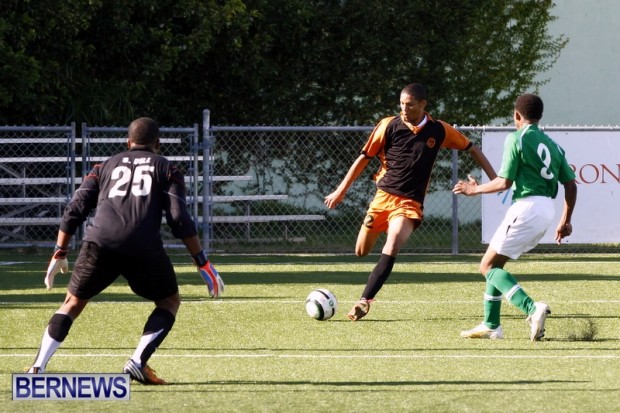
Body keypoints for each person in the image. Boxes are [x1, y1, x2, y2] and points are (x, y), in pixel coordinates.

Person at [27, 117, 224, 384]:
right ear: (158, 144)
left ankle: (37, 368)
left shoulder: (103, 166)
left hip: (100, 242)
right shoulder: (168, 169)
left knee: (72, 303)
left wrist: (60, 252)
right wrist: (202, 262)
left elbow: (74, 209)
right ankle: (138, 362)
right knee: (169, 302)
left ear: (127, 142)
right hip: (143, 246)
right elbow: (178, 218)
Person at [324, 83, 497, 321]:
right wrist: (340, 190)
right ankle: (379, 234)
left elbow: (471, 147)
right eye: (402, 104)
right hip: (382, 199)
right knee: (361, 251)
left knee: (393, 242)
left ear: (423, 104)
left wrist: (495, 180)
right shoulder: (388, 125)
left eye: (410, 105)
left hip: (409, 203)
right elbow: (364, 158)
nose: (404, 109)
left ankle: (364, 300)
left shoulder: (439, 130)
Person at [453, 93, 577, 341]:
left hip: (526, 208)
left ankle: (531, 308)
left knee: (486, 266)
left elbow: (504, 182)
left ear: (516, 115)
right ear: (540, 117)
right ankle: (491, 325)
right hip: (546, 209)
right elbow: (571, 185)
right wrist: (565, 220)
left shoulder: (516, 138)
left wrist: (474, 190)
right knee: (495, 264)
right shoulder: (554, 145)